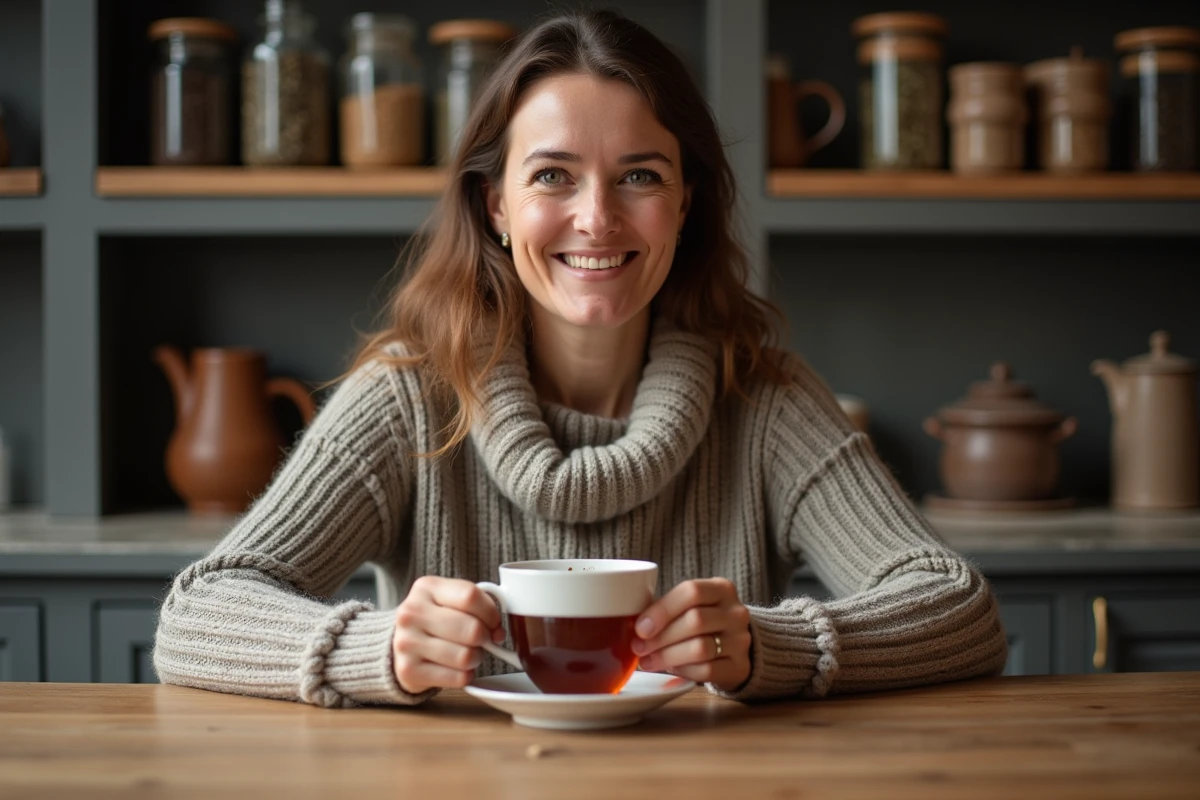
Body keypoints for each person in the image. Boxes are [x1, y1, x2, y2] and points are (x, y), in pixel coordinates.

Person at [153, 10, 1007, 707]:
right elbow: (195, 617)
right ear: (495, 206)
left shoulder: (763, 397)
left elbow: (961, 611)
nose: (596, 219)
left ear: (684, 203)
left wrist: (769, 644)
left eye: (639, 177)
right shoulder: (412, 396)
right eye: (554, 177)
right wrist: (377, 648)